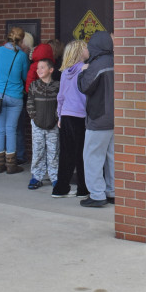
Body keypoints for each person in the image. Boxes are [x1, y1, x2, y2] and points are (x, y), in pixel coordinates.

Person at [78, 31, 115, 208]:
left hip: (99, 118)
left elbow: (85, 87)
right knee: (113, 157)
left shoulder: (95, 65)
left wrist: (82, 72)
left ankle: (97, 195)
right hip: (118, 118)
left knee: (93, 157)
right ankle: (113, 191)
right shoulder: (118, 60)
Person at [0, 26, 30, 174]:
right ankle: (11, 165)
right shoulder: (21, 55)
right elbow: (25, 77)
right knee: (11, 129)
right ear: (21, 40)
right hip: (15, 95)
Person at [53, 40, 89, 198]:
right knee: (82, 153)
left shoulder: (65, 72)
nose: (88, 50)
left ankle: (60, 188)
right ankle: (83, 188)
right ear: (80, 52)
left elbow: (60, 97)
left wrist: (59, 115)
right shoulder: (85, 69)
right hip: (80, 116)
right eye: (86, 48)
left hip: (66, 116)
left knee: (66, 154)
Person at [26, 58, 61, 190]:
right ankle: (36, 177)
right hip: (37, 125)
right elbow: (29, 103)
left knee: (53, 152)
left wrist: (57, 118)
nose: (39, 70)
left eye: (42, 67)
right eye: (37, 68)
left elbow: (60, 104)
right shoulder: (34, 86)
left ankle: (55, 177)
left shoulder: (58, 86)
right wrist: (33, 117)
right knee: (38, 151)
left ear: (51, 70)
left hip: (53, 125)